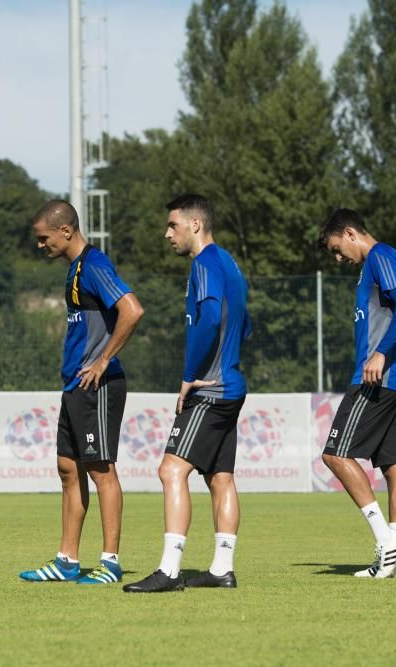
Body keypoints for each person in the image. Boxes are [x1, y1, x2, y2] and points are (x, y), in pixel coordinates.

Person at [123, 194, 250, 593]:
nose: (167, 234)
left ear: (195, 225)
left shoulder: (205, 263)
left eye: (172, 225)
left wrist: (190, 375)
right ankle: (222, 569)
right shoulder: (229, 262)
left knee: (171, 470)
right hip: (231, 384)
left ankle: (169, 570)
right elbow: (245, 325)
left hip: (209, 388)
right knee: (220, 478)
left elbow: (211, 318)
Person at [19, 200, 144, 585]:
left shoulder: (94, 265)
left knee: (101, 471)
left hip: (98, 385)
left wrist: (104, 359)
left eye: (44, 238)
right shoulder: (75, 268)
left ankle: (109, 563)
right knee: (68, 470)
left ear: (66, 231)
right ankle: (66, 561)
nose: (41, 245)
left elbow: (132, 309)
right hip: (75, 385)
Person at [315, 208, 396, 579]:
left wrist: (380, 353)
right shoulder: (374, 265)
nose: (339, 258)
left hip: (379, 377)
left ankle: (386, 542)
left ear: (350, 232)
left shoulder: (380, 256)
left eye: (337, 249)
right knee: (394, 465)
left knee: (334, 454)